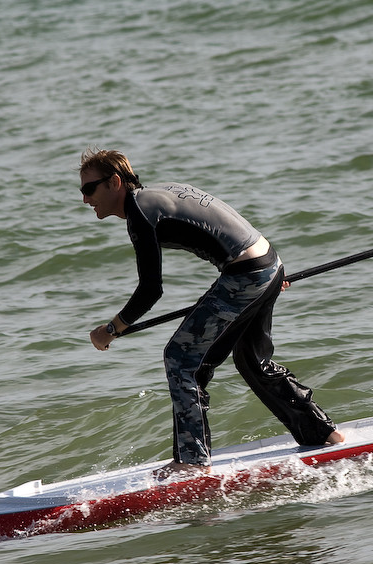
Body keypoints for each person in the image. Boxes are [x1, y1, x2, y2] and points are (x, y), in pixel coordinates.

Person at [80, 148, 344, 479]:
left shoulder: (140, 212)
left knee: (181, 359)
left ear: (114, 182)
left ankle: (191, 462)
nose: (86, 200)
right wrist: (272, 274)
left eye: (89, 190)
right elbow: (229, 223)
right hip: (267, 261)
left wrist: (111, 329)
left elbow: (151, 289)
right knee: (251, 361)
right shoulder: (158, 195)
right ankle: (324, 434)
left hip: (248, 273)